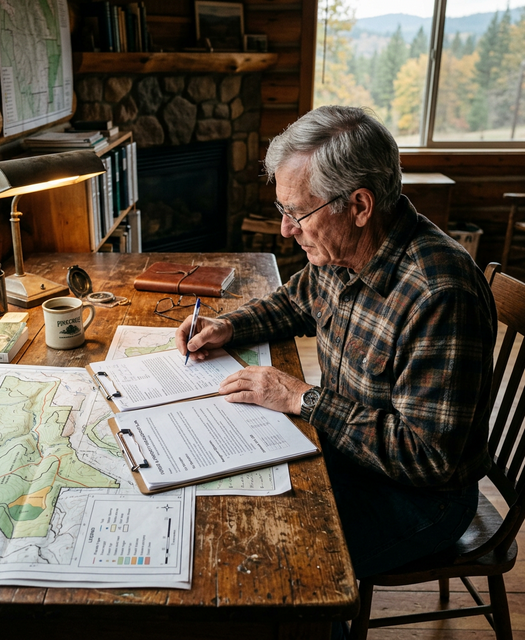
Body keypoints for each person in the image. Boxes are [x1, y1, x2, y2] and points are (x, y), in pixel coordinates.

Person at [176, 106, 496, 589]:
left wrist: (302, 398)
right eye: (284, 211)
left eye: (297, 213)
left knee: (272, 568)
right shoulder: (342, 248)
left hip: (419, 499)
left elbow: (430, 460)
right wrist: (228, 326)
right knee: (218, 505)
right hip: (348, 453)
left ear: (360, 205)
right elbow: (294, 302)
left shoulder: (439, 295)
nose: (286, 229)